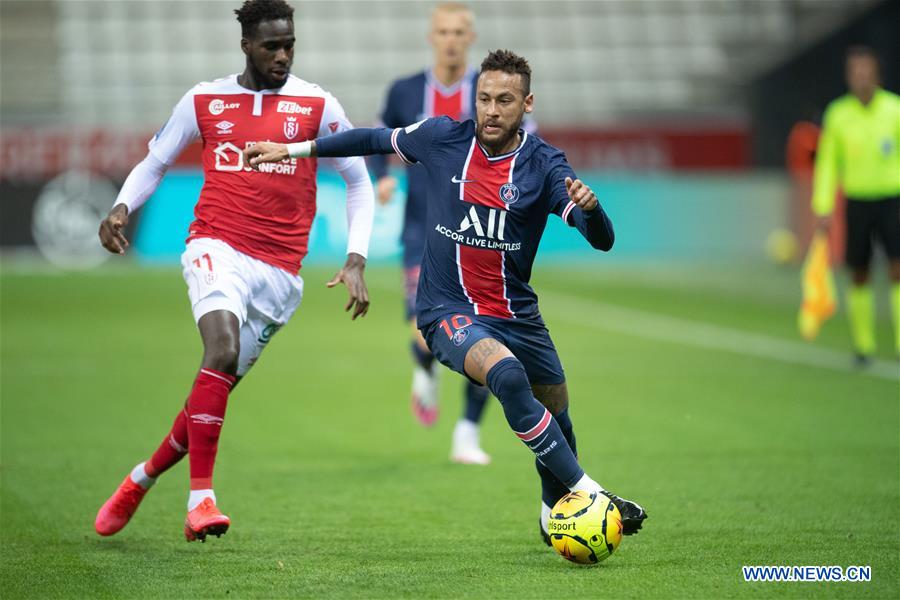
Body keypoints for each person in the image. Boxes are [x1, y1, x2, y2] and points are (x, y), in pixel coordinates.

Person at [245, 49, 647, 543]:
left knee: (558, 413)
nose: (492, 110)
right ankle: (593, 495)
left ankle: (552, 512)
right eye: (484, 98)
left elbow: (599, 237)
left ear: (527, 104)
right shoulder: (441, 138)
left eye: (505, 100)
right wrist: (294, 151)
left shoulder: (544, 165)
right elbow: (373, 138)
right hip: (446, 313)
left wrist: (594, 208)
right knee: (506, 374)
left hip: (517, 313)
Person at [93, 0, 374, 542]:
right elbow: (155, 162)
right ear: (246, 45)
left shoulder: (317, 104)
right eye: (272, 45)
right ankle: (201, 501)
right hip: (215, 245)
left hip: (281, 275)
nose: (283, 55)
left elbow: (358, 181)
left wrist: (356, 257)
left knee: (213, 389)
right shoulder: (204, 99)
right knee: (218, 351)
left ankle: (139, 479)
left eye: (289, 43)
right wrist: (121, 207)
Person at [370, 2, 493, 464]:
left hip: (479, 230)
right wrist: (382, 175)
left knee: (486, 335)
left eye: (459, 31)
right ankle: (425, 366)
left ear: (471, 36)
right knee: (427, 335)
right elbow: (379, 139)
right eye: (443, 31)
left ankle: (467, 435)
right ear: (431, 36)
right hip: (422, 227)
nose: (451, 39)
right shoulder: (405, 91)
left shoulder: (489, 91)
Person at [811, 46, 900, 365]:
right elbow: (827, 164)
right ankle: (864, 346)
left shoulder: (895, 110)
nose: (861, 78)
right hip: (858, 201)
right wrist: (822, 205)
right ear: (849, 77)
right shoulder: (838, 114)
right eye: (855, 73)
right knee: (859, 272)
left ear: (877, 75)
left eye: (867, 72)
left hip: (893, 199)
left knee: (897, 269)